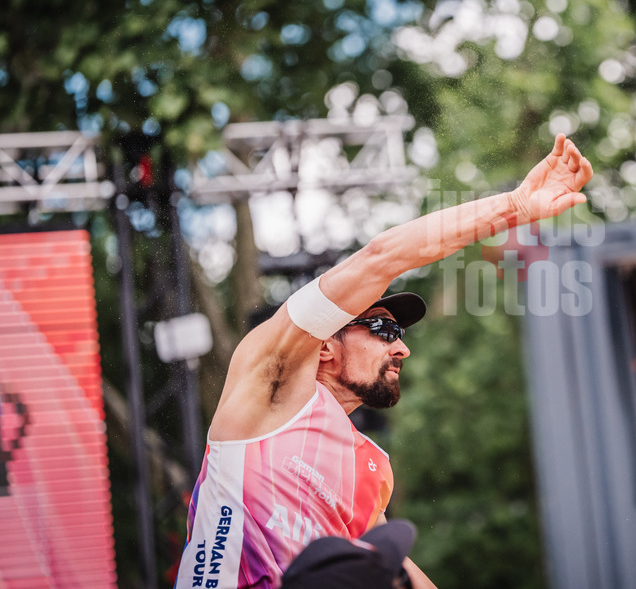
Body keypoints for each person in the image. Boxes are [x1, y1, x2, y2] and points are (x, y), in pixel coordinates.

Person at [174, 134, 593, 589]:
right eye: (383, 330)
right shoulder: (266, 387)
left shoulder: (368, 464)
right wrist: (515, 205)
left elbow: (394, 573)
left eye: (401, 334)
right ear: (325, 344)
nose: (402, 348)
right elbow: (382, 258)